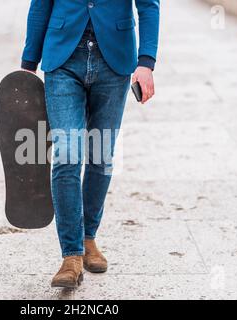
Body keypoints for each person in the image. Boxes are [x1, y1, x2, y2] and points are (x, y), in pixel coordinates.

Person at [21, 0, 160, 288]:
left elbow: (149, 6)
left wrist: (146, 61)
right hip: (63, 56)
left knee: (101, 155)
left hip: (114, 59)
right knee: (67, 153)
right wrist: (28, 64)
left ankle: (88, 237)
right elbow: (40, 4)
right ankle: (71, 255)